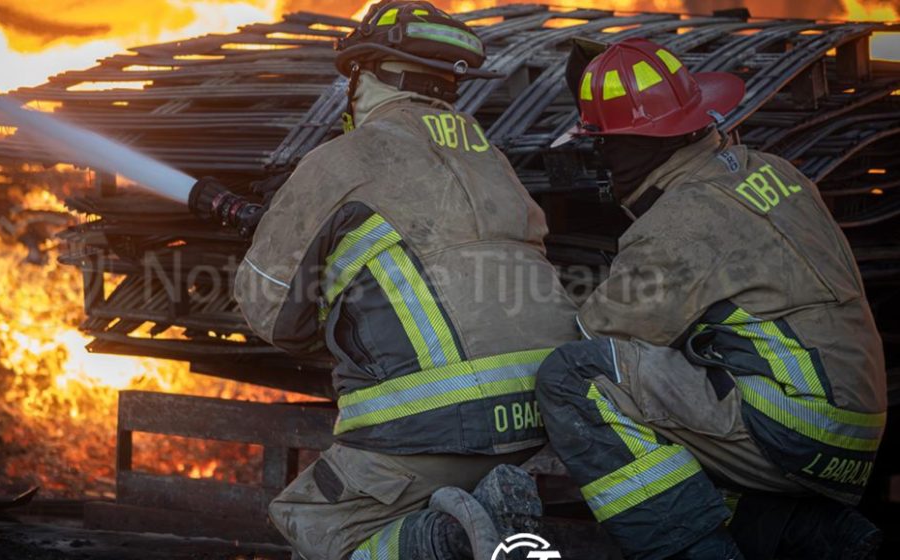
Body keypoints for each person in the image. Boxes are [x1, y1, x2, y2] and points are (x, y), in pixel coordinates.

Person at [190, 2, 578, 558]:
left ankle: (442, 542)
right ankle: (479, 511)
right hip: (538, 413)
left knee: (313, 525)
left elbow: (272, 315)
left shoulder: (341, 161)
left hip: (433, 425)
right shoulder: (491, 159)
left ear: (365, 74)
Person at [536, 38, 886, 560]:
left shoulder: (676, 226)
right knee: (683, 401)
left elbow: (594, 338)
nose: (601, 161)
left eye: (601, 145)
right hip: (856, 431)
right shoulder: (774, 171)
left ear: (634, 145)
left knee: (576, 379)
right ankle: (802, 531)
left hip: (794, 429)